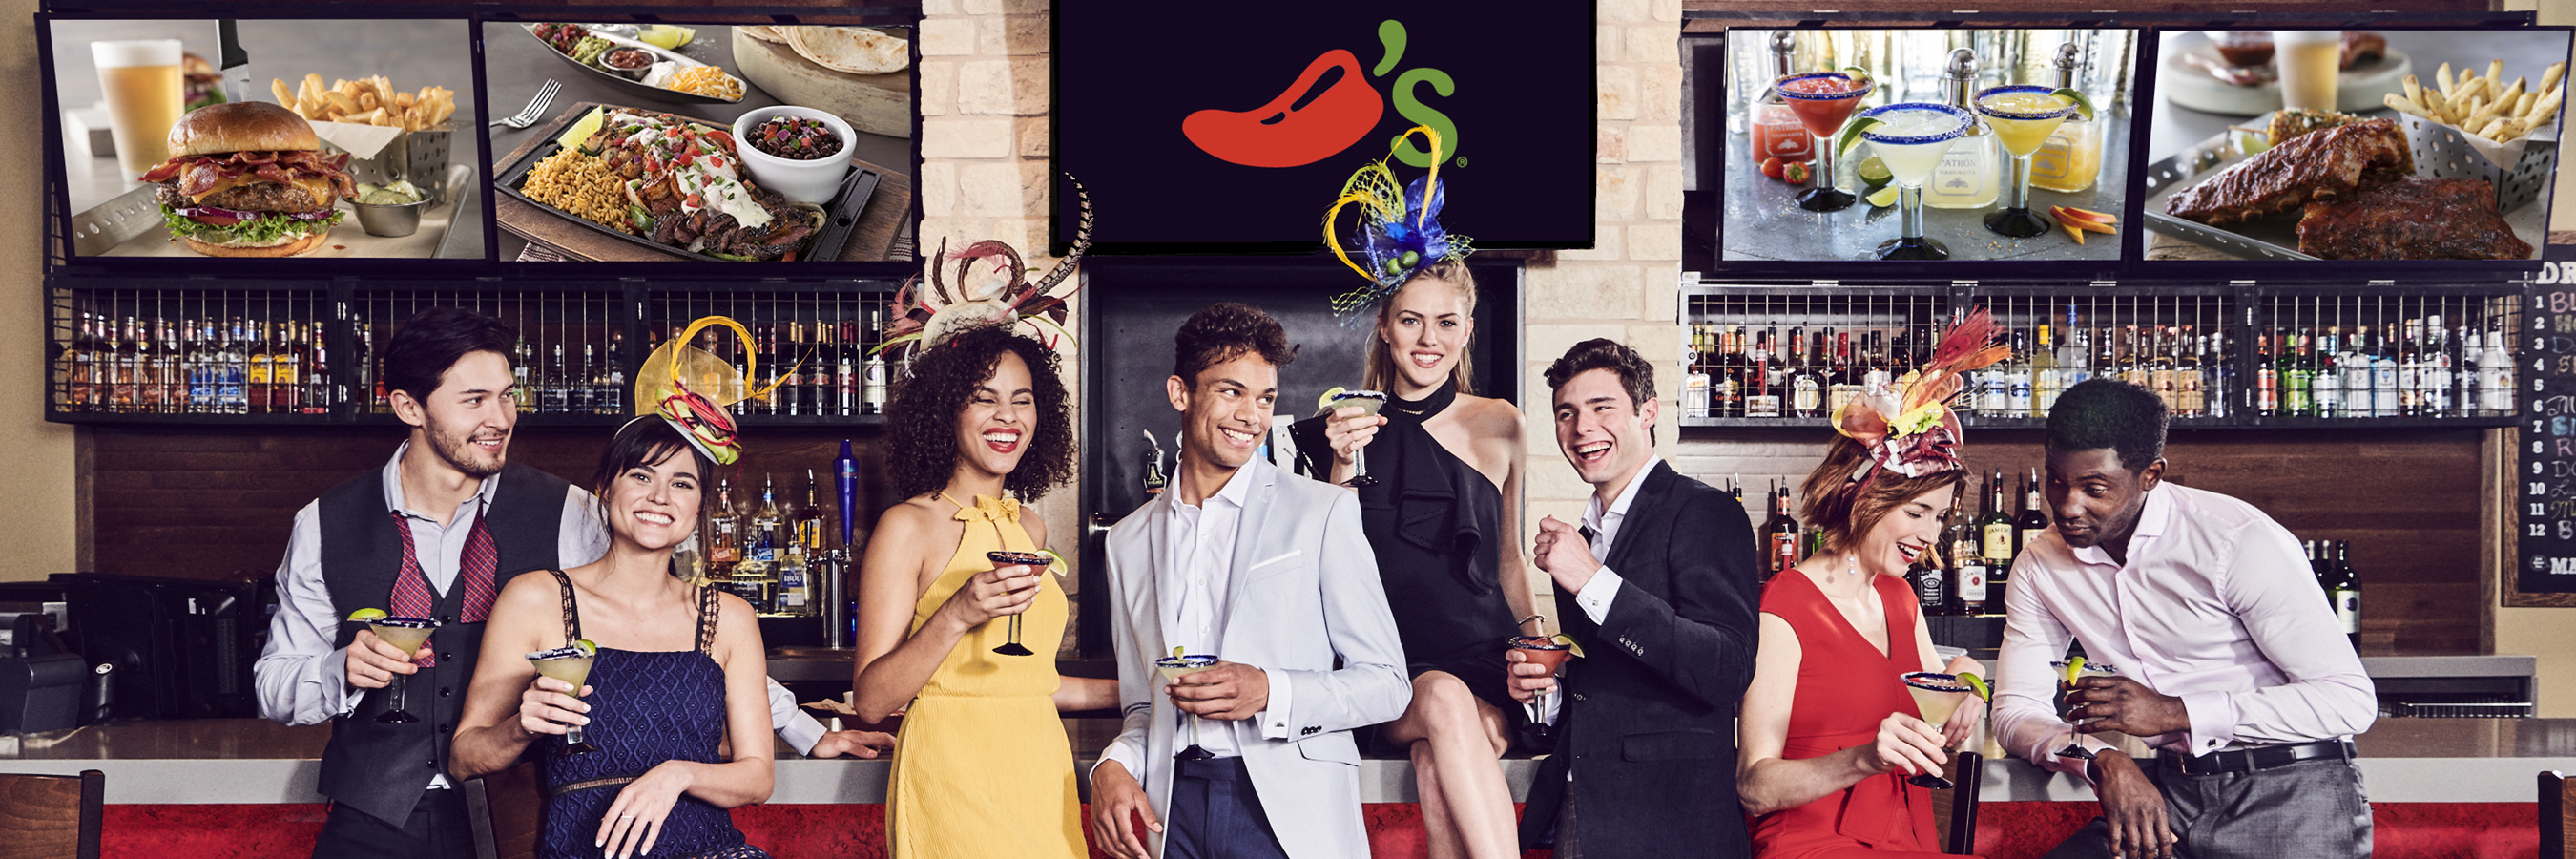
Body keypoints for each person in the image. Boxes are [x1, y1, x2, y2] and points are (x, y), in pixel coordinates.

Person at [253, 308, 877, 859]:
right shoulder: (324, 523)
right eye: (474, 400)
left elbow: (672, 629)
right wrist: (342, 670)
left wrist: (806, 733)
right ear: (409, 406)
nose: (499, 418)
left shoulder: (569, 510)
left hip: (520, 813)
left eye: (506, 396)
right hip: (375, 817)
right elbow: (274, 688)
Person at [1996, 378, 2376, 859]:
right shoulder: (2040, 564)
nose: (2068, 506)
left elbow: (2349, 701)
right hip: (2169, 795)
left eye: (2095, 488)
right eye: (2056, 480)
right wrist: (2101, 760)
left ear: (2151, 475)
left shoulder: (2235, 541)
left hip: (2293, 794)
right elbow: (2014, 711)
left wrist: (2175, 711)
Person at [1087, 303, 1412, 859]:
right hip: (1172, 813)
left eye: (1265, 399)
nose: (1251, 416)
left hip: (1288, 810)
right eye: (1231, 392)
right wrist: (1112, 766)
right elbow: (1144, 706)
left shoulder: (1323, 511)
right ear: (1179, 393)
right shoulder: (1126, 542)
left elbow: (1387, 683)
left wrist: (1269, 690)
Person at [1300, 130, 1534, 859]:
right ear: (1384, 324)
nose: (1427, 339)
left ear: (1467, 330)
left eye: (1445, 323)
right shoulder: (1332, 428)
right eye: (1410, 320)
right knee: (1440, 704)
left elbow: (1508, 560)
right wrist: (1341, 465)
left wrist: (1538, 648)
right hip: (1382, 668)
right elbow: (1321, 569)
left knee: (1441, 757)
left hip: (1483, 657)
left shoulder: (1501, 424)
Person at [1735, 314, 2005, 857]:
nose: (1929, 536)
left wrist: (1973, 679)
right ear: (1866, 500)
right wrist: (1865, 759)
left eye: (1941, 518)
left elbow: (1944, 685)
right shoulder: (1783, 607)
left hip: (1908, 835)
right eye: (1918, 513)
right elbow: (1754, 787)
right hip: (1812, 843)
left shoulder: (1898, 597)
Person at [449, 415, 774, 859]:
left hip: (707, 849)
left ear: (700, 506)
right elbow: (464, 757)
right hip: (583, 848)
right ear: (604, 486)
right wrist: (520, 727)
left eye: (682, 483)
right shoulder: (535, 598)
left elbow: (757, 777)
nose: (659, 497)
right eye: (641, 475)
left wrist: (676, 774)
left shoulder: (730, 617)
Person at [850, 322, 1116, 858]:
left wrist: (1146, 689)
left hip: (1040, 771)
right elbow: (873, 701)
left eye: (1022, 400)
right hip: (953, 774)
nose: (1008, 417)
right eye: (983, 399)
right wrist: (956, 614)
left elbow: (1030, 682)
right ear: (946, 410)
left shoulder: (1031, 529)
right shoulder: (908, 526)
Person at [1508, 338, 1761, 859]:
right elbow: (1603, 679)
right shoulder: (1582, 540)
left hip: (1675, 820)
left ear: (1648, 413)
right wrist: (1548, 688)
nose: (1582, 428)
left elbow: (1726, 669)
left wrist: (1595, 581)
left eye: (1603, 408)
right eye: (1566, 413)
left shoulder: (1706, 512)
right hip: (1583, 811)